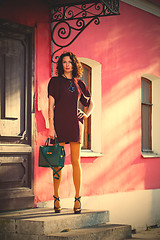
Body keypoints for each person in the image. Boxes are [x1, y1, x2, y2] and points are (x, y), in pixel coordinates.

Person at [48, 52, 94, 214]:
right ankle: (56, 197)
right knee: (58, 163)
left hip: (75, 125)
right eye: (64, 62)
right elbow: (51, 105)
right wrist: (51, 127)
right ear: (61, 65)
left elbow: (90, 103)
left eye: (70, 62)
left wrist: (86, 114)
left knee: (76, 161)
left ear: (74, 64)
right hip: (59, 124)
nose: (67, 64)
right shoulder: (55, 82)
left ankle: (77, 198)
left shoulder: (79, 84)